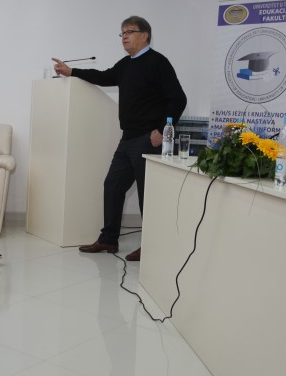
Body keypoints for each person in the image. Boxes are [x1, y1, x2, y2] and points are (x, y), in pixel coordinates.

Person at [52, 16, 187, 262]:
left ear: (145, 35)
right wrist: (71, 71)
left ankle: (152, 247)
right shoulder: (126, 64)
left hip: (148, 139)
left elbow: (178, 99)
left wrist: (161, 130)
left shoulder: (158, 62)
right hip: (127, 139)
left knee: (148, 194)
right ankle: (108, 239)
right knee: (112, 185)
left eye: (129, 32)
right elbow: (104, 77)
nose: (124, 37)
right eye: (122, 33)